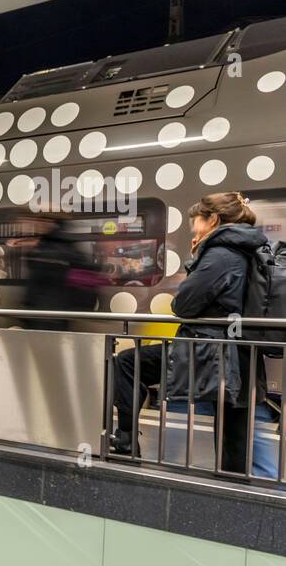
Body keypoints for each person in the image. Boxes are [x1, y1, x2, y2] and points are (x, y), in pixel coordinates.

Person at [113, 193, 267, 469]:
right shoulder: (242, 248)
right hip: (235, 349)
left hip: (210, 350)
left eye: (196, 220)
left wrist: (195, 258)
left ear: (213, 220)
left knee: (127, 362)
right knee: (234, 432)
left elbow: (183, 303)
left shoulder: (221, 254)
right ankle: (234, 490)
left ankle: (125, 442)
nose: (193, 226)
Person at [22, 214, 103, 330]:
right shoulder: (59, 245)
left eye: (41, 221)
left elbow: (43, 277)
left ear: (52, 223)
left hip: (48, 315)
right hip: (48, 313)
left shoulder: (52, 248)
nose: (37, 224)